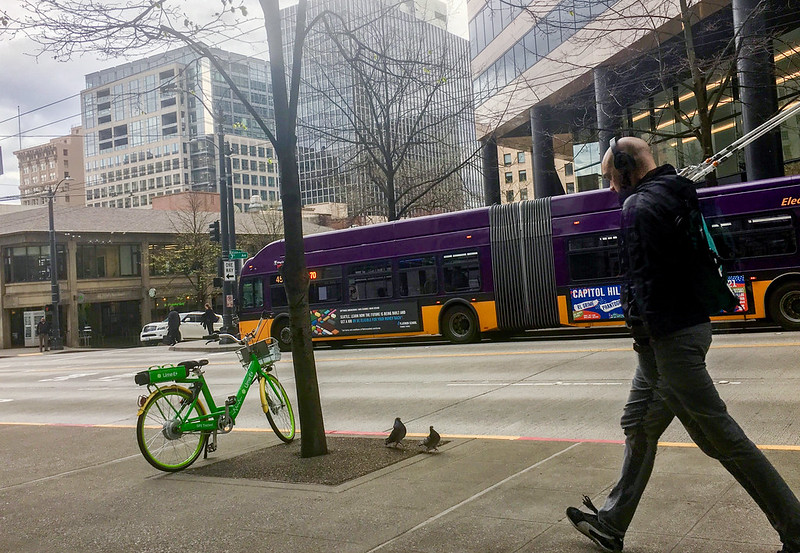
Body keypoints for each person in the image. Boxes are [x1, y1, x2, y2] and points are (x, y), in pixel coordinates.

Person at [566, 137, 800, 553]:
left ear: (625, 166)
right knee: (638, 424)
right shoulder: (676, 191)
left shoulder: (637, 206)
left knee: (722, 439)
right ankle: (611, 523)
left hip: (667, 338)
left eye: (609, 177)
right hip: (685, 327)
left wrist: (643, 336)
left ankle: (796, 530)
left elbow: (646, 281)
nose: (609, 187)